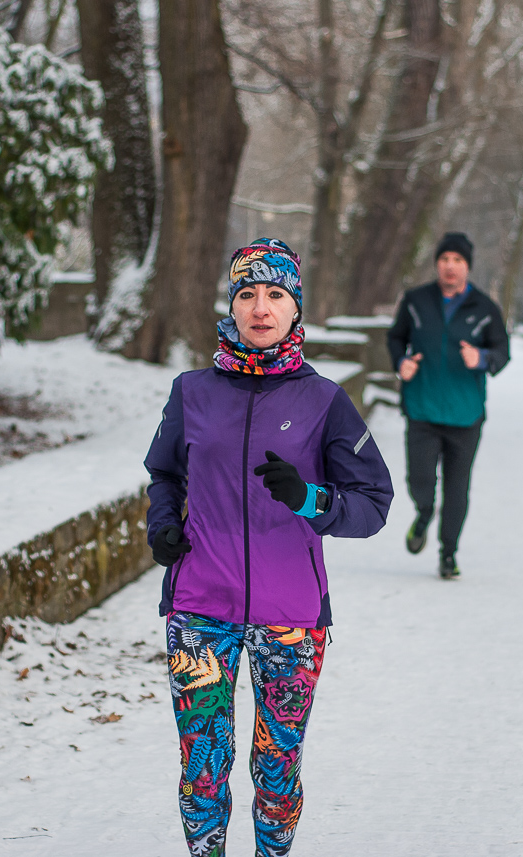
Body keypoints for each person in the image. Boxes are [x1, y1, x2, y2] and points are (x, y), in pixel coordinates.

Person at [145, 238, 393, 857]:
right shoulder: (191, 392)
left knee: (277, 769)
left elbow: (373, 502)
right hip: (201, 607)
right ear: (231, 305)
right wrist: (162, 525)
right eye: (248, 294)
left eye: (276, 294)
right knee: (202, 767)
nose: (261, 307)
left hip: (292, 617)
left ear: (295, 307)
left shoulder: (325, 401)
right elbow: (165, 474)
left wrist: (311, 499)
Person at [386, 231, 510, 579]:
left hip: (465, 414)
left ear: (467, 266)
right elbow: (396, 337)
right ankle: (424, 512)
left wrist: (482, 358)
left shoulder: (485, 308)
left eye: (457, 260)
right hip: (422, 408)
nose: (450, 266)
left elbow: (502, 351)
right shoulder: (416, 301)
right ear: (437, 263)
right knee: (420, 480)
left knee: (457, 489)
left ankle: (448, 554)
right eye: (444, 259)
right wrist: (401, 362)